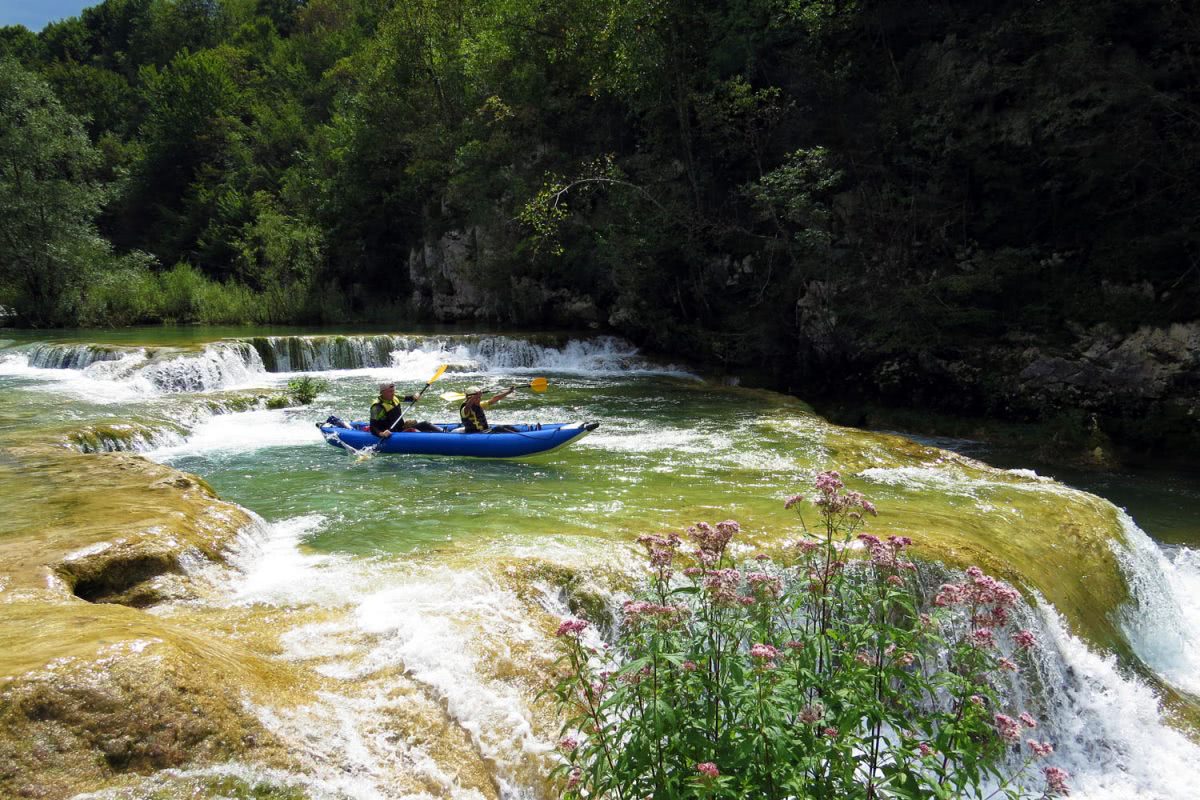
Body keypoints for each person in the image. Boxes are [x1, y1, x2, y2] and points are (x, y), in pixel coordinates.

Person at [370, 381, 442, 437]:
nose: (393, 393)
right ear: (382, 392)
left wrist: (415, 396)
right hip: (391, 433)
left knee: (425, 424)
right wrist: (382, 434)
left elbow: (410, 398)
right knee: (419, 429)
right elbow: (373, 426)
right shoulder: (377, 406)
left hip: (400, 429)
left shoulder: (394, 397)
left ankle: (444, 433)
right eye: (390, 391)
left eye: (393, 391)